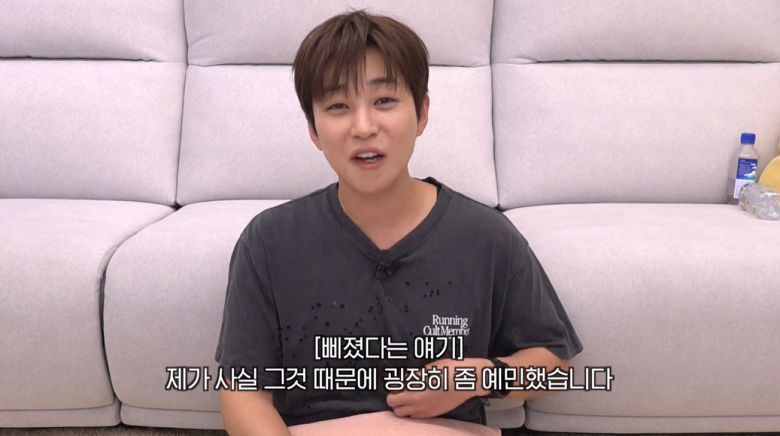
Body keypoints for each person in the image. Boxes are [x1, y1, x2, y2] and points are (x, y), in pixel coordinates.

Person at [214, 10, 583, 435]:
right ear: (313, 129)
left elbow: (553, 362)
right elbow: (243, 392)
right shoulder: (269, 240)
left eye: (384, 101)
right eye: (338, 106)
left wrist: (475, 377)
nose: (364, 127)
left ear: (421, 113)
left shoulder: (487, 236)